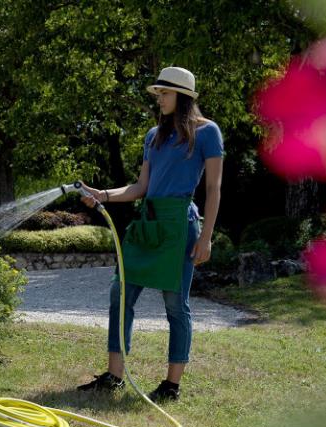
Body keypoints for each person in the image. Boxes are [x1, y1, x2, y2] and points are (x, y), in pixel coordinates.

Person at [77, 66, 224, 402]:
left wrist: (206, 237)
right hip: (148, 223)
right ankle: (115, 376)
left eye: (165, 93)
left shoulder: (207, 133)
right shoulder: (152, 136)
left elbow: (214, 189)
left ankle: (171, 385)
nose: (159, 100)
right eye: (158, 94)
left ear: (184, 97)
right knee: (121, 292)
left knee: (175, 303)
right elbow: (141, 187)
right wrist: (103, 194)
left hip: (179, 225)